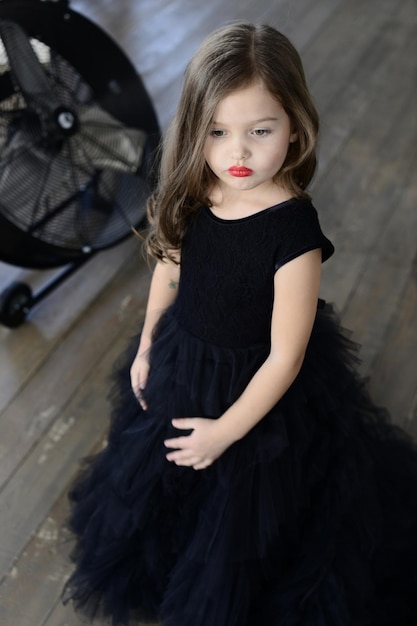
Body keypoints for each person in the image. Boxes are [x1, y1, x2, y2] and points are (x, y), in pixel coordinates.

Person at [63, 22, 417, 626]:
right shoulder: (201, 188)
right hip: (184, 356)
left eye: (261, 131)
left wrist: (226, 432)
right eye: (218, 133)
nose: (239, 154)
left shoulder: (293, 235)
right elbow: (170, 267)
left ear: (295, 126)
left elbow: (285, 357)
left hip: (253, 391)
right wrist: (148, 340)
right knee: (162, 476)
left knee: (241, 511)